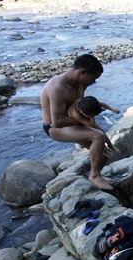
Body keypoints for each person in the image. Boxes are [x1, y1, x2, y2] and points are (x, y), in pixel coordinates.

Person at [41, 54, 115, 190]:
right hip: (53, 127)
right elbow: (57, 121)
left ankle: (97, 175)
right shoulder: (58, 87)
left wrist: (87, 118)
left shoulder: (80, 85)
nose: (94, 82)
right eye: (93, 78)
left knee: (103, 148)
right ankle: (94, 177)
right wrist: (84, 121)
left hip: (73, 122)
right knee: (97, 136)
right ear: (83, 72)